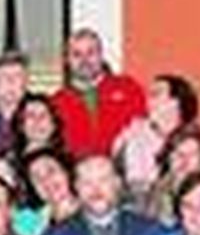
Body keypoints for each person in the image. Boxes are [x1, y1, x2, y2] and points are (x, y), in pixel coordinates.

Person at [50, 28, 147, 159]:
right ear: (67, 60)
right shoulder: (56, 102)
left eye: (91, 52)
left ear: (101, 55)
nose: (84, 60)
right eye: (76, 54)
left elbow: (144, 130)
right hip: (79, 173)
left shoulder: (129, 89)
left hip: (123, 171)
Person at [115, 73, 199, 204]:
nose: (148, 100)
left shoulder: (195, 139)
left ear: (176, 102)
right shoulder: (132, 135)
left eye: (155, 94)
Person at [146, 123, 200, 223]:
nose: (184, 160)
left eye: (192, 154)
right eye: (178, 153)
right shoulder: (152, 195)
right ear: (168, 158)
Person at [11, 94, 67, 161]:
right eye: (31, 115)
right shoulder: (6, 166)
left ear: (53, 125)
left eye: (43, 116)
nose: (37, 121)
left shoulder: (70, 163)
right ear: (21, 125)